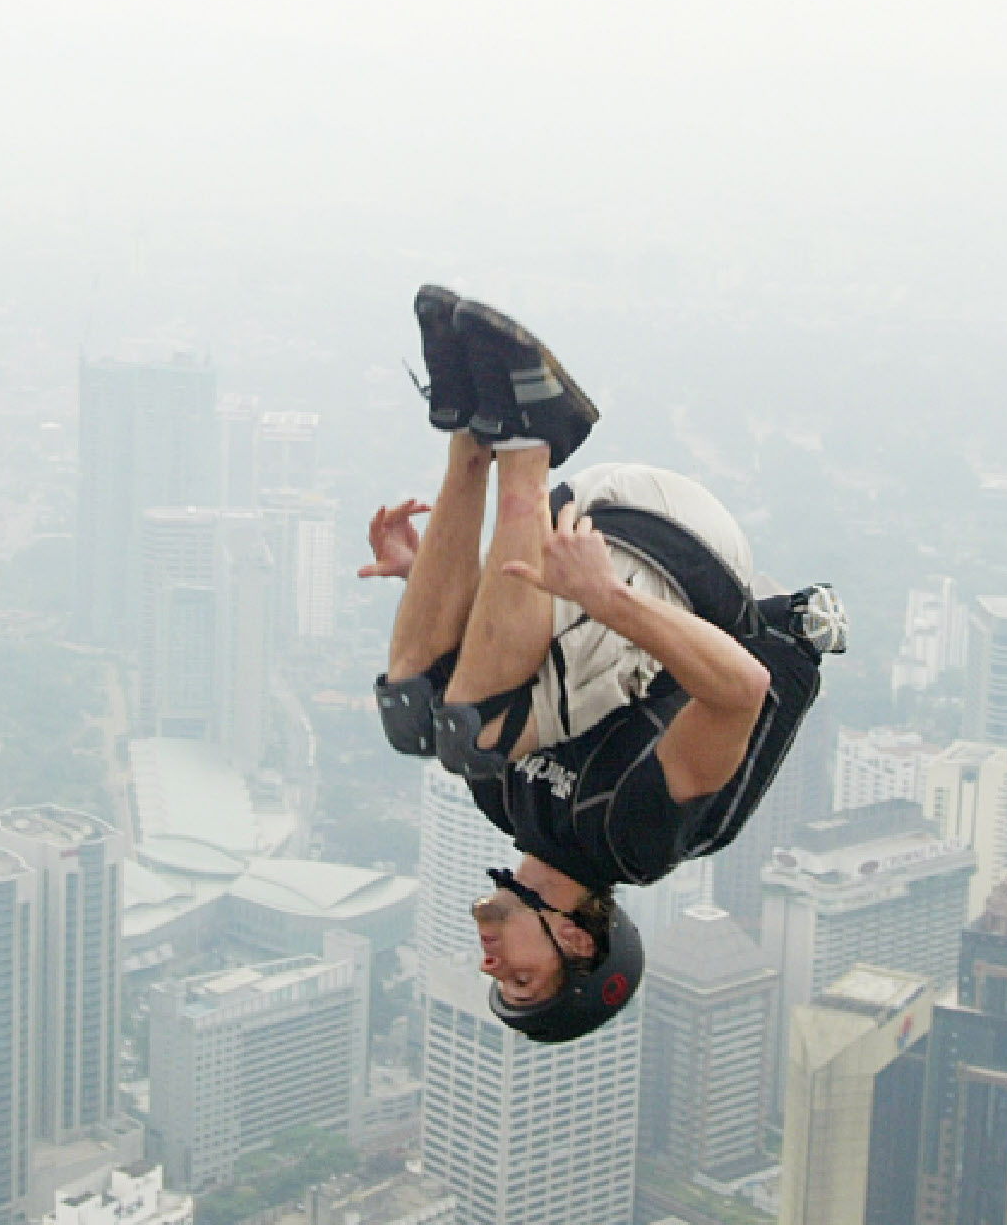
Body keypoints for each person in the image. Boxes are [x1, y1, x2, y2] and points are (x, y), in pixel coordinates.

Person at [361, 286, 845, 1044]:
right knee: (469, 732)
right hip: (685, 559)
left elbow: (506, 667)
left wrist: (430, 579)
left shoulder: (506, 808)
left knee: (420, 714)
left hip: (588, 523)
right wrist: (606, 596)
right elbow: (741, 690)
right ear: (579, 942)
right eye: (522, 978)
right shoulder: (637, 839)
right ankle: (528, 436)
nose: (492, 966)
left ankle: (470, 421)